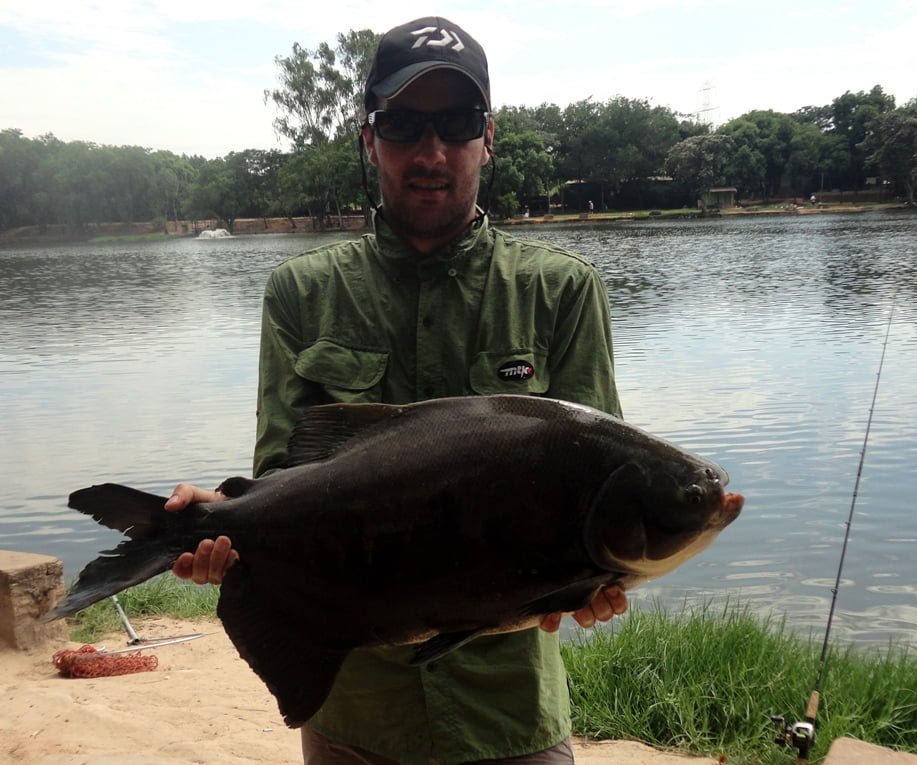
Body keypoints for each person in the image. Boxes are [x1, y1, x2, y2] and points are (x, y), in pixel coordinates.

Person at [167, 15, 626, 765]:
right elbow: (285, 481)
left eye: (457, 123)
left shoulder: (561, 291)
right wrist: (222, 520)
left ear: (488, 136)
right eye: (404, 124)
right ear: (369, 138)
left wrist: (598, 577)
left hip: (507, 713)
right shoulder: (301, 292)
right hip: (355, 709)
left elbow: (598, 490)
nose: (431, 151)